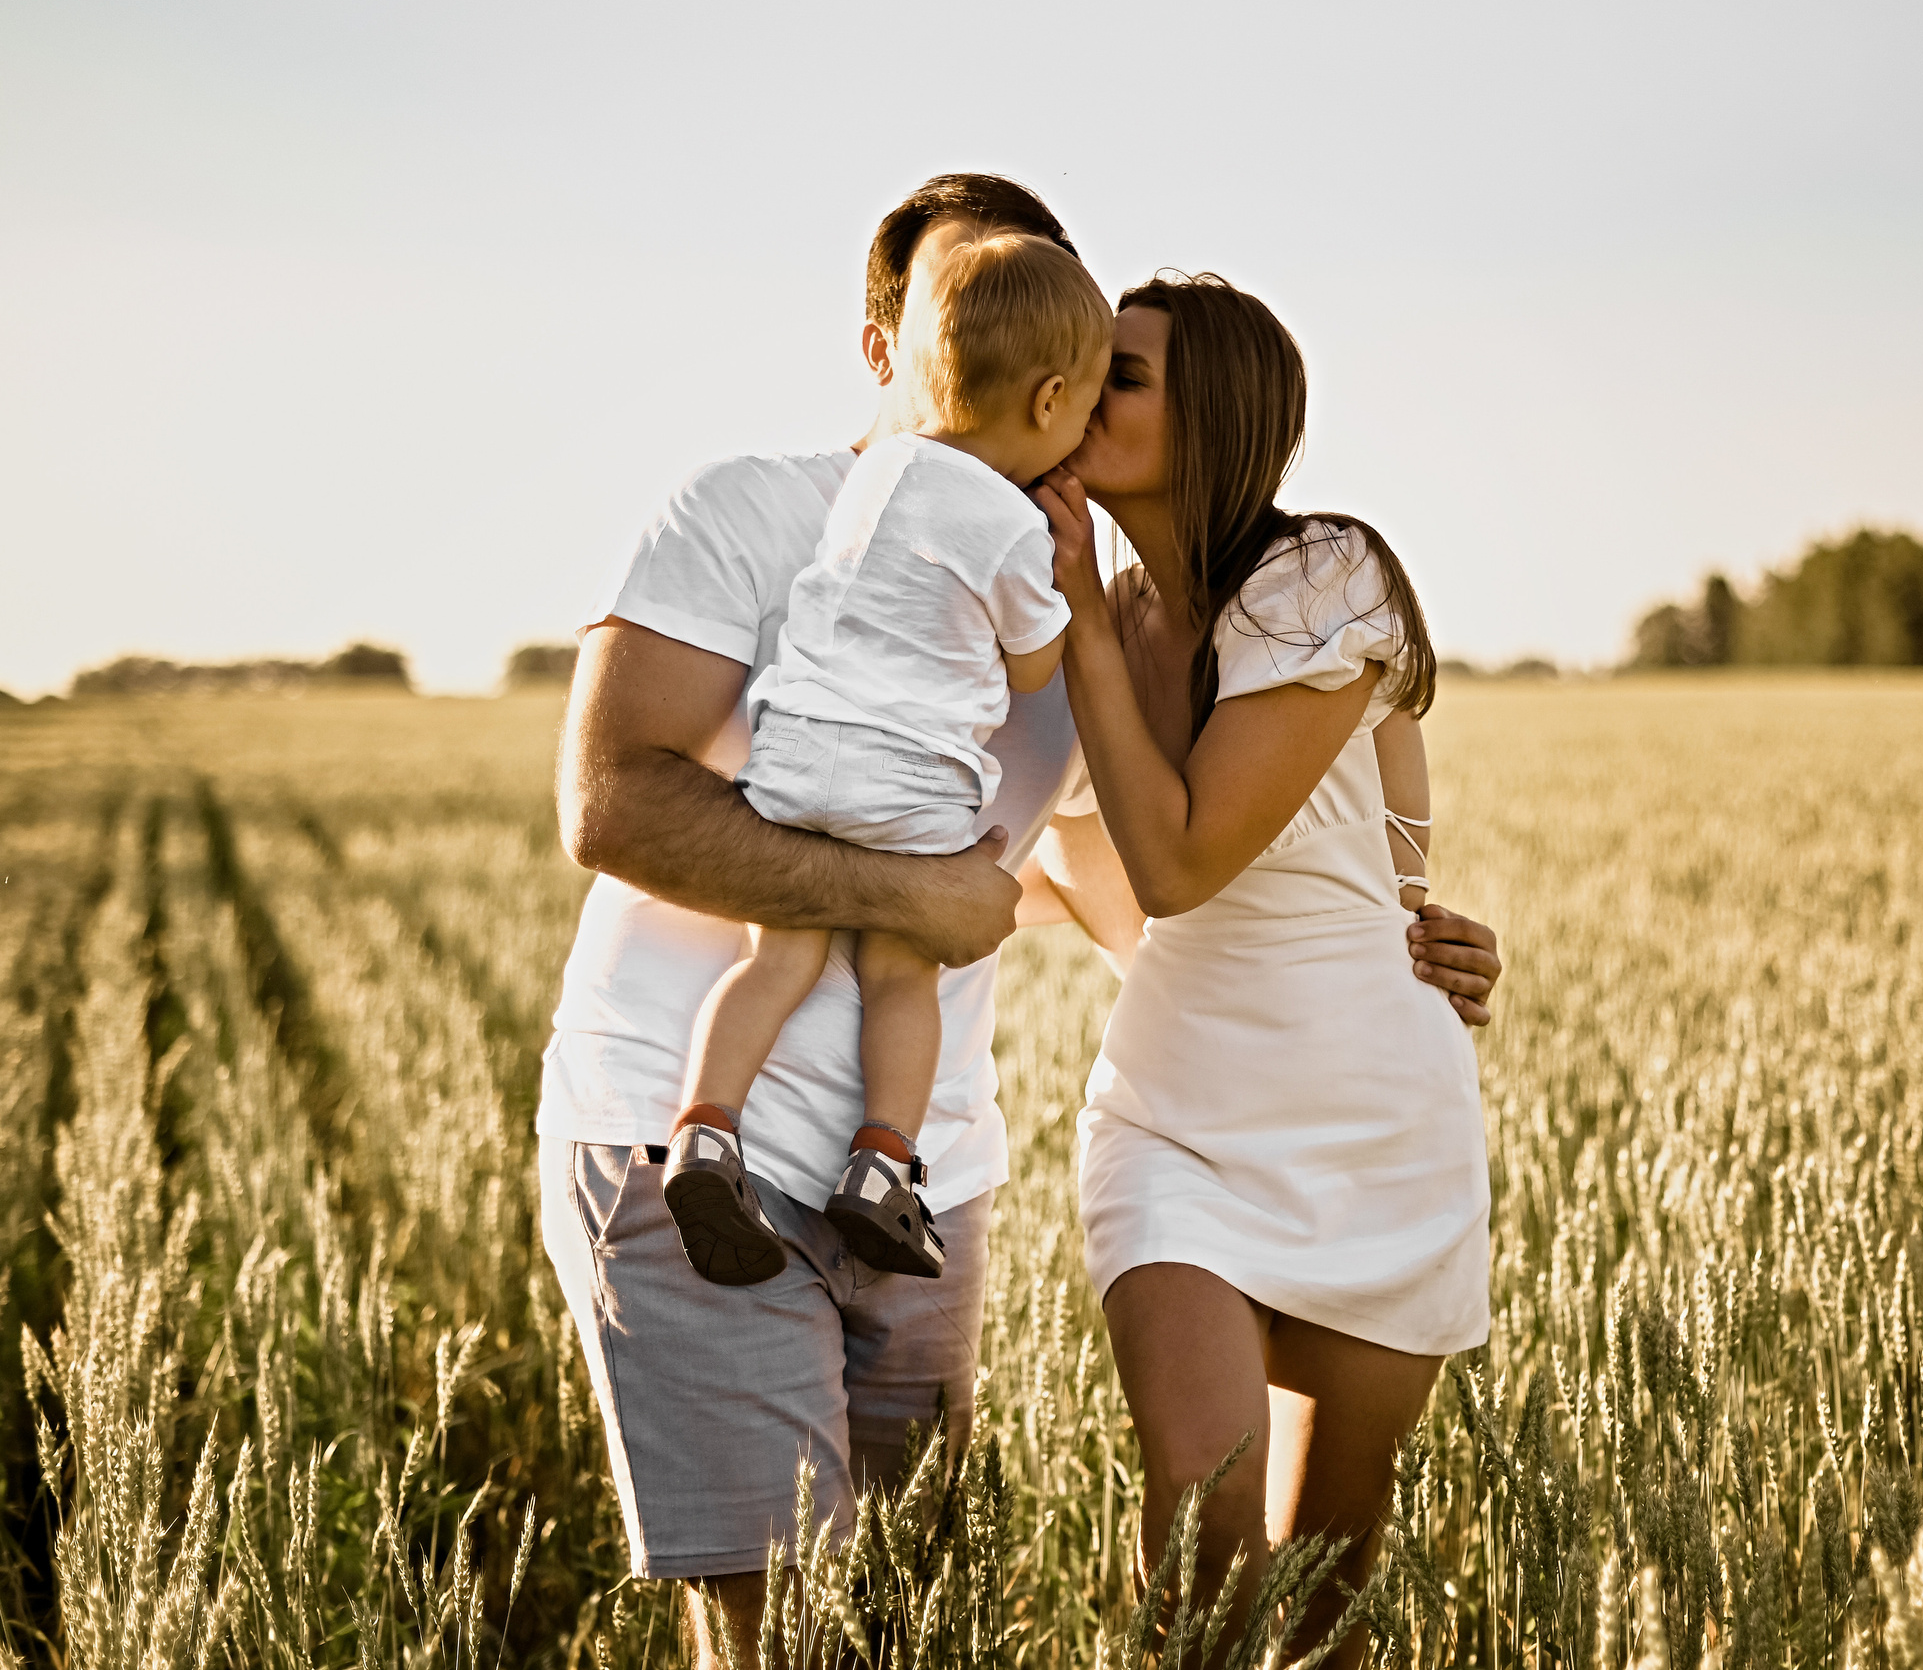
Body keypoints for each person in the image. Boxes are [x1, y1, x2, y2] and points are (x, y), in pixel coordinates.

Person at [540, 174, 1505, 1668]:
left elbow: (1099, 882)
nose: (1015, 370)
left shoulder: (1080, 609)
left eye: (1063, 342)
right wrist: (909, 895)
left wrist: (1408, 933)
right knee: (795, 1633)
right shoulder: (751, 512)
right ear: (887, 344)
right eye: (963, 321)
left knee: (936, 1619)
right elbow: (610, 806)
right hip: (688, 1134)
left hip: (918, 1178)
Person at [1033, 272, 1492, 1668]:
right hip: (1176, 1120)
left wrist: (1417, 938)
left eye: (1119, 373)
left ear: (1218, 413)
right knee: (1207, 1515)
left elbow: (1204, 860)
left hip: (1377, 1129)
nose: (1076, 392)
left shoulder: (1325, 576)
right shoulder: (1078, 611)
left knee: (1328, 1583)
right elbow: (1103, 874)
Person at [660, 234, 1110, 1286]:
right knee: (900, 969)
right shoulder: (1011, 524)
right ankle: (881, 1162)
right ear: (1049, 401)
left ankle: (704, 1129)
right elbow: (1038, 662)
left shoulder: (877, 474)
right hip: (911, 783)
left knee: (775, 958)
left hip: (801, 755)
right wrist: (1063, 575)